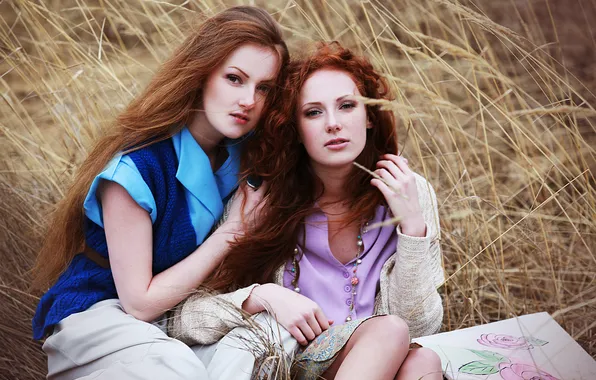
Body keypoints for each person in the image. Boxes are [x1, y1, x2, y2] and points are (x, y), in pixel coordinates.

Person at [30, 6, 289, 380]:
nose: (249, 100)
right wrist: (232, 232)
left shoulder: (248, 157)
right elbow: (139, 302)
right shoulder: (137, 168)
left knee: (261, 346)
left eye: (264, 88)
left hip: (179, 318)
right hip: (99, 314)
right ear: (202, 75)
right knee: (176, 367)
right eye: (235, 79)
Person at [169, 42, 445, 380]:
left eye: (346, 106)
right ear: (296, 130)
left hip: (370, 365)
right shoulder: (264, 201)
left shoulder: (408, 192)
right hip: (285, 365)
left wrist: (413, 229)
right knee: (391, 333)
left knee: (422, 360)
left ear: (369, 117)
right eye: (313, 112)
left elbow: (418, 326)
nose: (333, 124)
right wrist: (261, 297)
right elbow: (184, 317)